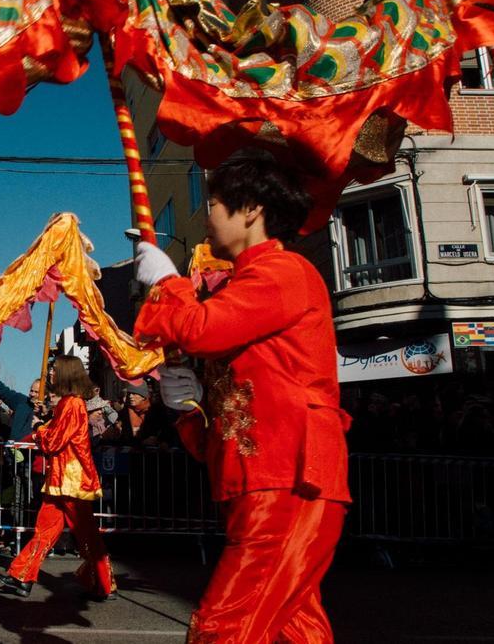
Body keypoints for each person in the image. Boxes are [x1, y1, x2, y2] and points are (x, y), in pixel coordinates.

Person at [133, 149, 350, 642]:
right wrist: (187, 412)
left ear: (250, 209)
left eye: (212, 203)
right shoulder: (247, 283)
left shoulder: (283, 273)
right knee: (293, 629)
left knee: (222, 627)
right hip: (266, 477)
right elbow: (234, 406)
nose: (207, 217)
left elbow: (201, 329)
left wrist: (168, 283)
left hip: (287, 480)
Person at [0, 355, 116, 599]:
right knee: (45, 529)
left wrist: (40, 428)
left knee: (86, 533)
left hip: (72, 480)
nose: (50, 373)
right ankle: (21, 576)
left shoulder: (72, 404)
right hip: (61, 478)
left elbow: (53, 441)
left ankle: (105, 583)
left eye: (54, 369)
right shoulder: (67, 405)